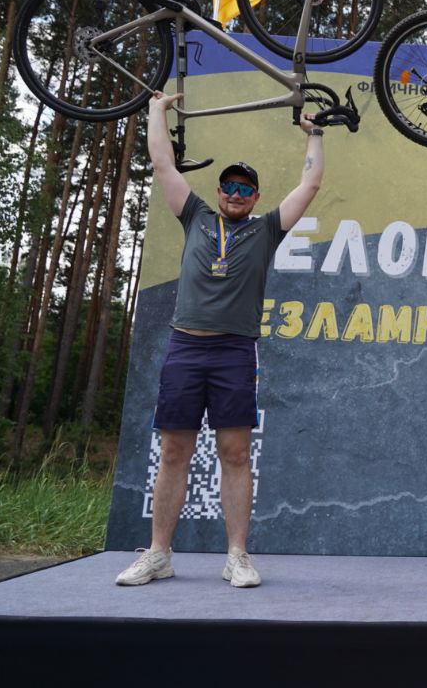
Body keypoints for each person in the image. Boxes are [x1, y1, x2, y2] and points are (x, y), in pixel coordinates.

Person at [116, 91, 326, 588]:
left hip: (234, 351)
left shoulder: (267, 230)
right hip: (185, 348)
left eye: (245, 188)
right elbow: (162, 163)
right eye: (229, 185)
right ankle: (159, 554)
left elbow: (311, 183)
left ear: (255, 197)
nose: (235, 193)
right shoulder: (194, 216)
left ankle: (237, 556)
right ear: (218, 190)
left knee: (234, 453)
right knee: (174, 453)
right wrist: (156, 111)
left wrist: (315, 133)